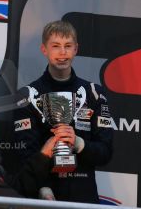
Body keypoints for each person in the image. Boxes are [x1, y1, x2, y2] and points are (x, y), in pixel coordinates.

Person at [13, 20, 113, 203]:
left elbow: (105, 152)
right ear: (44, 50)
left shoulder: (94, 94)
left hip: (84, 197)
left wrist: (79, 143)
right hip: (44, 195)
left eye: (68, 46)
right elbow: (23, 157)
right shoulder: (27, 96)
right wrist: (43, 188)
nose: (62, 53)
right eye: (56, 46)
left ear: (76, 49)